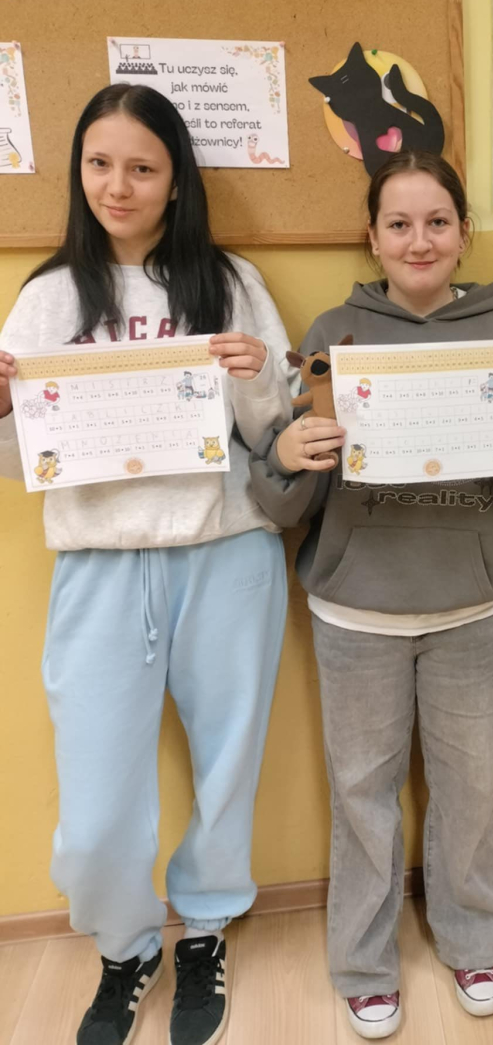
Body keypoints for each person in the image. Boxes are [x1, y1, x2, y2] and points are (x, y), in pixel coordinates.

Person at [249, 151, 493, 1039]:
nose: (419, 240)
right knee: (361, 792)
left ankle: (473, 937)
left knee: (469, 787)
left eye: (437, 222)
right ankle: (363, 960)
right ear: (372, 236)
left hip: (474, 605)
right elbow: (288, 493)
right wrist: (286, 458)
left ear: (465, 232)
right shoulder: (334, 333)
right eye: (399, 224)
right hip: (355, 608)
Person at [0, 84, 294, 1045]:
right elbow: (23, 465)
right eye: (99, 163)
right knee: (94, 806)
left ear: (176, 180)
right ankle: (124, 948)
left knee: (229, 763)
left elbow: (277, 436)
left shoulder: (231, 281)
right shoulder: (48, 299)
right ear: (77, 171)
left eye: (141, 167)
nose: (117, 186)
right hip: (100, 564)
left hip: (228, 553)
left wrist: (257, 380)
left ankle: (206, 927)